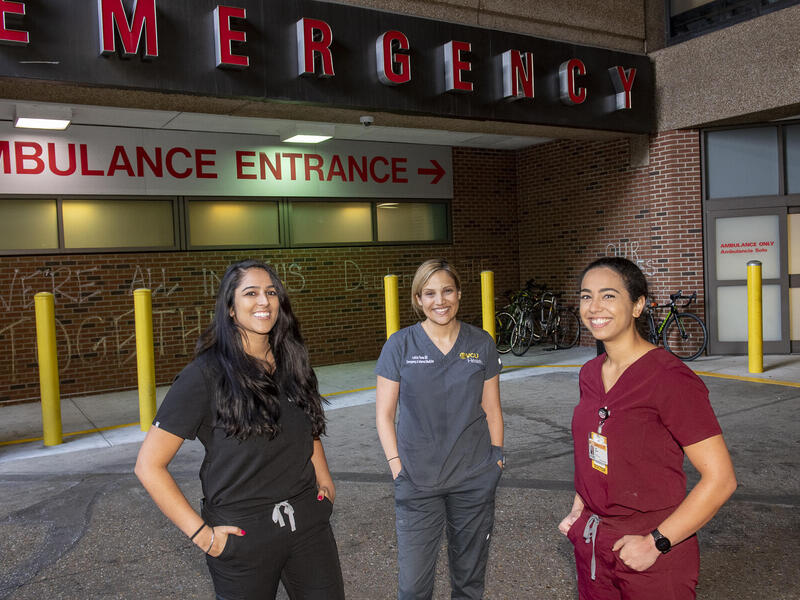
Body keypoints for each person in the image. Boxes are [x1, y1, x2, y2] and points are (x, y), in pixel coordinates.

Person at [135, 259, 344, 600]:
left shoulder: (293, 360)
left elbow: (309, 427)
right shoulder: (203, 375)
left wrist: (324, 482)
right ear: (230, 308)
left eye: (271, 292)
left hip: (308, 525)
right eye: (251, 293)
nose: (264, 301)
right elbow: (148, 465)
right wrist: (204, 536)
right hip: (243, 534)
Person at [559, 256, 737, 600]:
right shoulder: (590, 374)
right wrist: (580, 506)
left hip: (651, 549)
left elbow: (721, 479)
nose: (594, 306)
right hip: (595, 545)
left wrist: (657, 542)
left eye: (609, 296)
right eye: (585, 296)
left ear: (638, 305)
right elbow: (596, 446)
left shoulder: (670, 378)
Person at [375, 258, 505, 600]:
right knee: (414, 587)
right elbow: (384, 415)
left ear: (459, 294)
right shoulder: (399, 346)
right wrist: (396, 467)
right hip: (417, 482)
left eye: (447, 290)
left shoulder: (481, 343)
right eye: (429, 293)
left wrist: (496, 459)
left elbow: (492, 408)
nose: (440, 300)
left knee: (468, 581)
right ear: (418, 300)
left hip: (473, 477)